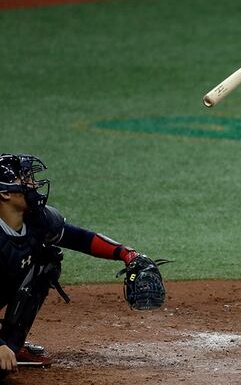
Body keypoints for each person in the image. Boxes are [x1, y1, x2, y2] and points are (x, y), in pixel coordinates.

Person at [0, 153, 166, 377]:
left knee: (46, 262)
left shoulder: (36, 220)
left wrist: (128, 255)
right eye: (25, 180)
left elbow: (80, 239)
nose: (33, 185)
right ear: (5, 193)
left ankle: (14, 344)